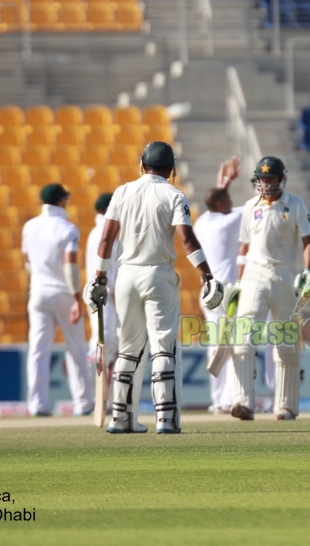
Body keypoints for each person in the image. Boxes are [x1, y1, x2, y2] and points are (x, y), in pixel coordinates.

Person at [84, 141, 223, 434]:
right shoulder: (174, 194)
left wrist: (99, 277)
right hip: (158, 275)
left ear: (141, 164)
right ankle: (166, 419)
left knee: (128, 349)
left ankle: (120, 419)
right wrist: (207, 275)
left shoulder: (122, 191)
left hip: (125, 276)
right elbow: (187, 240)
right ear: (171, 169)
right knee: (163, 348)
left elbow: (106, 241)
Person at [229, 156, 310, 421]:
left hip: (285, 274)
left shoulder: (296, 204)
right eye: (262, 179)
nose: (266, 183)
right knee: (243, 336)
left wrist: (308, 272)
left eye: (271, 178)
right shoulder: (249, 207)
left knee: (287, 343)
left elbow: (309, 241)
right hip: (254, 275)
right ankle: (243, 402)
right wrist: (239, 281)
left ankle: (286, 406)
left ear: (281, 179)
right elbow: (244, 247)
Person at [21, 183, 93, 417]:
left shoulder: (29, 227)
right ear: (62, 201)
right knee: (76, 350)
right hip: (63, 293)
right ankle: (83, 403)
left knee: (38, 351)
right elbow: (70, 264)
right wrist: (76, 298)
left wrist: (39, 281)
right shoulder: (68, 229)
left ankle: (37, 404)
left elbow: (27, 262)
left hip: (38, 293)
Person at [85, 192, 147, 432]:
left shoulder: (96, 232)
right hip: (106, 296)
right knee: (106, 345)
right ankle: (99, 399)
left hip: (104, 294)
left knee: (107, 346)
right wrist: (111, 289)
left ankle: (103, 399)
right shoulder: (105, 233)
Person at [193, 157, 242, 414]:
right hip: (226, 293)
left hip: (208, 291)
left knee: (217, 343)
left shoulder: (203, 222)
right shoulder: (228, 222)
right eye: (229, 202)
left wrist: (225, 182)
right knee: (232, 345)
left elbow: (218, 199)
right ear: (222, 205)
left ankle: (218, 399)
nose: (233, 205)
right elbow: (256, 207)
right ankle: (228, 400)